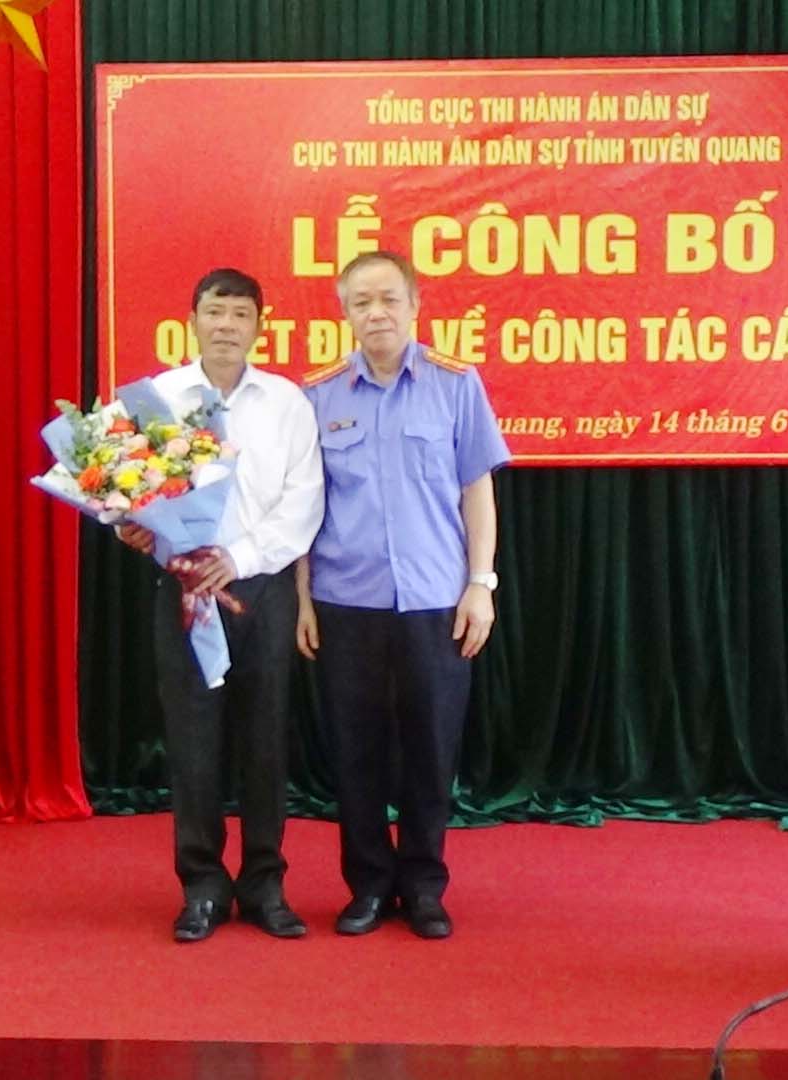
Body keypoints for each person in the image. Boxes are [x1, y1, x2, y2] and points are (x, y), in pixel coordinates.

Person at [295, 251, 510, 940]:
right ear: (345, 314)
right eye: (361, 302)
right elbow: (304, 507)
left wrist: (480, 584)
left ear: (415, 305)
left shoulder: (455, 384)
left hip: (435, 598)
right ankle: (366, 885)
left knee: (431, 747)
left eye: (389, 298)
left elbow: (477, 489)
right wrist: (303, 598)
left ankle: (422, 886)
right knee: (354, 751)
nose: (376, 313)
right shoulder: (318, 396)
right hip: (344, 598)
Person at [117, 268, 324, 942]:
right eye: (215, 312)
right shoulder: (158, 400)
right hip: (183, 591)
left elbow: (304, 500)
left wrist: (239, 557)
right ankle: (202, 885)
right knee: (193, 741)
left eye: (240, 314)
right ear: (192, 321)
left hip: (260, 589)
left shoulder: (287, 402)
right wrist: (128, 524)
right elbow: (126, 488)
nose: (227, 326)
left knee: (265, 739)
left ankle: (265, 884)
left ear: (260, 326)